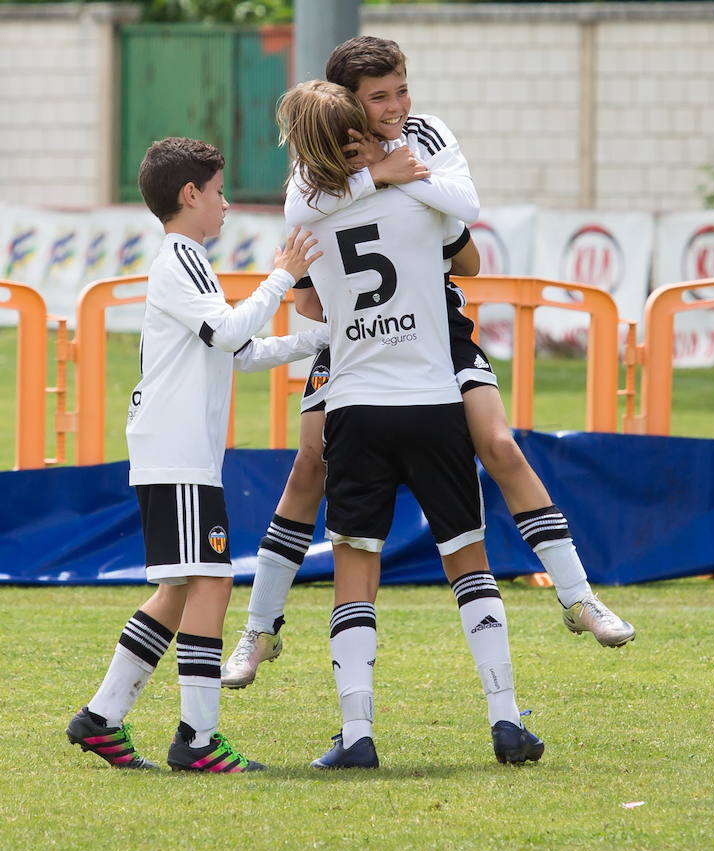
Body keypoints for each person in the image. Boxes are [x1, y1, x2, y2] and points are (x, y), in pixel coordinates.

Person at [221, 37, 634, 690]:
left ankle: (578, 597)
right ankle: (258, 631)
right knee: (308, 464)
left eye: (400, 91)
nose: (396, 107)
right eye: (377, 98)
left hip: (431, 324)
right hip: (352, 337)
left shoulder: (428, 133)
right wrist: (377, 176)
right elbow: (305, 243)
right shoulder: (316, 163)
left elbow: (465, 216)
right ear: (341, 106)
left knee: (499, 443)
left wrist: (405, 186)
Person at [273, 80, 545, 768]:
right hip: (431, 398)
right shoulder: (423, 201)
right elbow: (469, 255)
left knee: (355, 570)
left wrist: (361, 177)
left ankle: (358, 734)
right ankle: (506, 720)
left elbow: (307, 299)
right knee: (468, 562)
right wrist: (397, 168)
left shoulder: (308, 215)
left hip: (357, 404)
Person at [65, 136, 324, 773]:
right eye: (217, 192)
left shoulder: (189, 260)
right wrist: (282, 275)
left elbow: (240, 351)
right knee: (211, 581)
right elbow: (235, 330)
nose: (226, 204)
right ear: (190, 195)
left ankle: (101, 719)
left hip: (180, 453)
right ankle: (198, 740)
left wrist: (323, 338)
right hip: (176, 453)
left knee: (181, 591)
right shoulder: (177, 260)